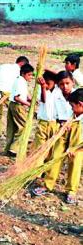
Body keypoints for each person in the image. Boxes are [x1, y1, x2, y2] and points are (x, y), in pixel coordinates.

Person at [33, 74, 82, 204]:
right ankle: (48, 184)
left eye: (67, 83)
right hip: (63, 127)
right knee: (56, 155)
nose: (64, 87)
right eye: (61, 84)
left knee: (75, 159)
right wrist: (62, 124)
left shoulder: (78, 95)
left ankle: (71, 190)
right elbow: (53, 112)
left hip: (78, 127)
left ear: (73, 82)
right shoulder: (56, 94)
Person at [0, 56, 30, 138]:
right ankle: (13, 131)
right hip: (7, 92)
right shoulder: (19, 72)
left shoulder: (3, 66)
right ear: (22, 64)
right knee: (13, 110)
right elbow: (19, 85)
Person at [4, 63, 34, 156]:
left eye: (32, 75)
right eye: (29, 75)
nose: (31, 77)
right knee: (25, 126)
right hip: (17, 105)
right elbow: (17, 98)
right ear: (23, 73)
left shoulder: (20, 81)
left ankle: (8, 149)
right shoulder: (20, 82)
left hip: (12, 105)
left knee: (12, 128)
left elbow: (25, 94)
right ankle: (14, 148)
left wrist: (32, 100)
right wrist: (28, 104)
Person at [33, 71, 59, 150]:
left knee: (52, 146)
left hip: (55, 123)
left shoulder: (58, 90)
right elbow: (43, 100)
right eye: (45, 83)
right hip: (43, 122)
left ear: (55, 82)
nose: (46, 85)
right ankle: (38, 161)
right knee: (40, 145)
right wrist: (43, 87)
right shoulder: (42, 89)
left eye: (48, 83)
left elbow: (59, 76)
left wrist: (45, 69)